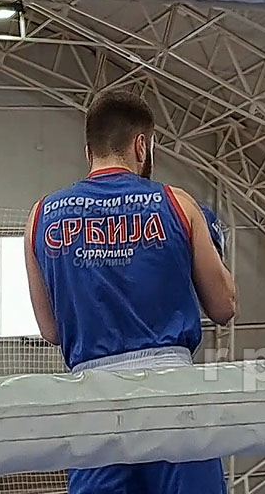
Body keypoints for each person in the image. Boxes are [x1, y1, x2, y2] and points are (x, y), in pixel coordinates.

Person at [24, 89, 236, 494]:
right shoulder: (178, 204)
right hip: (172, 393)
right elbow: (224, 306)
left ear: (89, 151)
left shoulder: (41, 215)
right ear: (142, 145)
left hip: (92, 397)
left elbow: (50, 330)